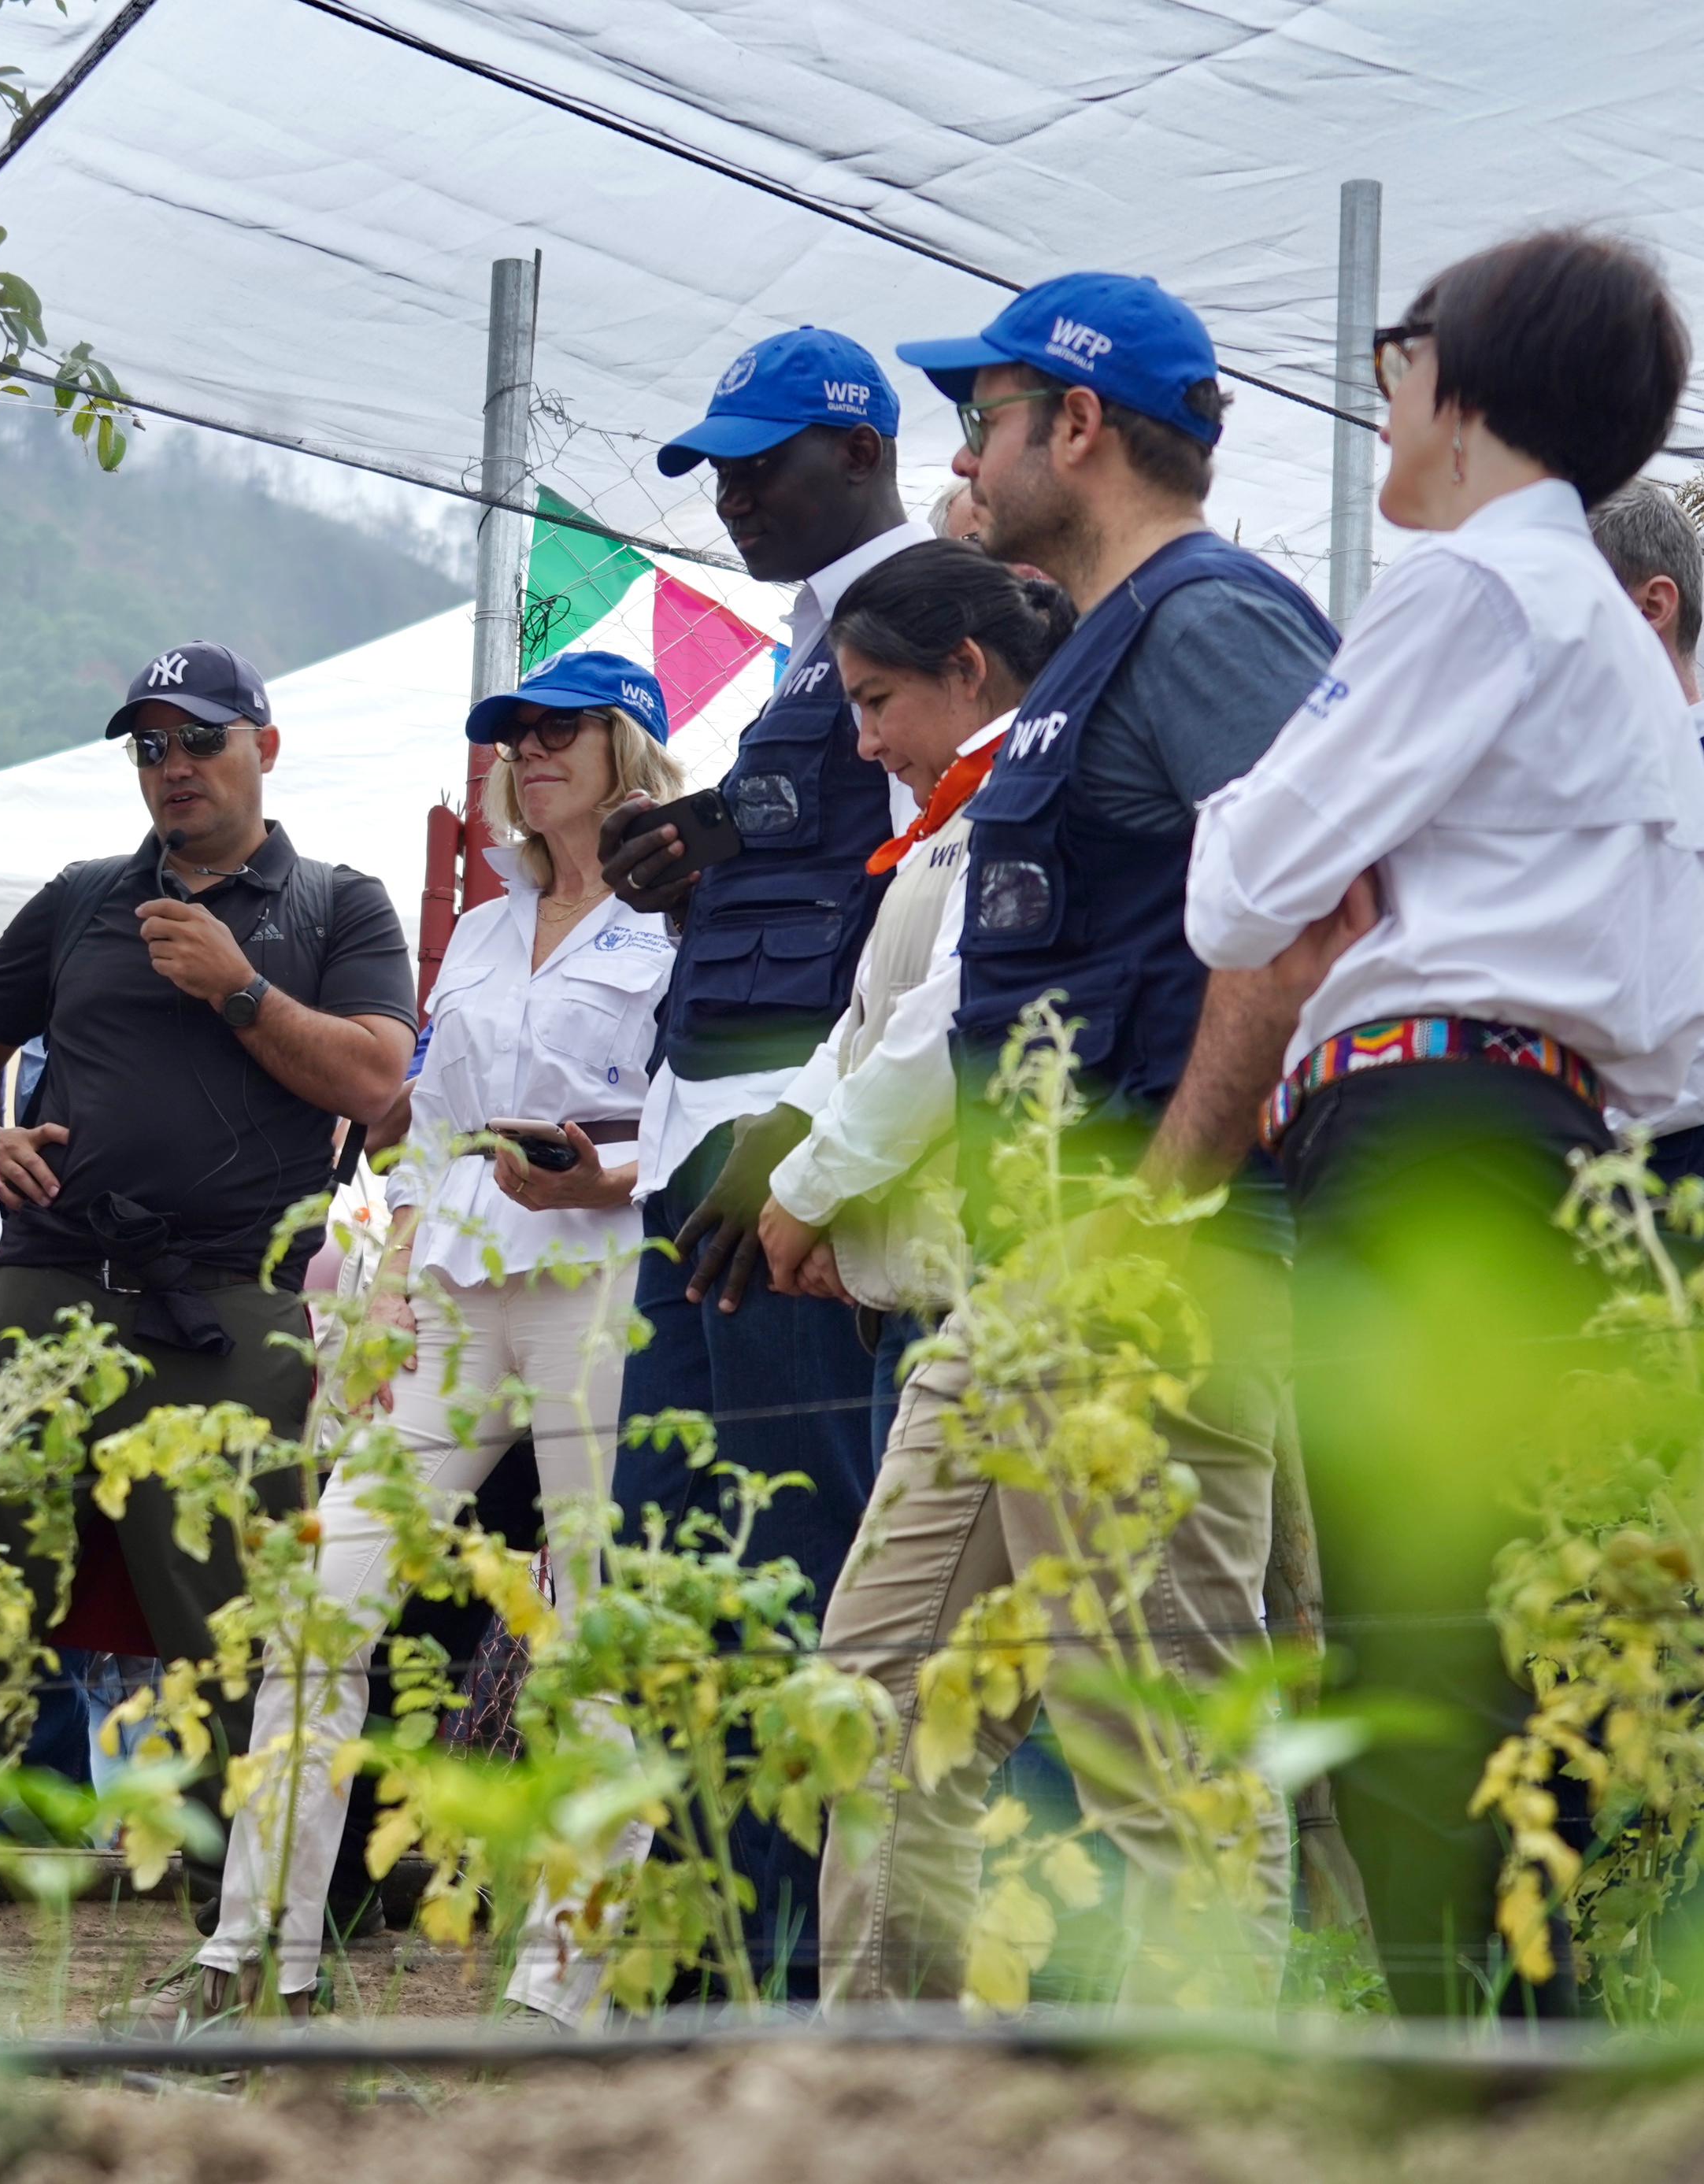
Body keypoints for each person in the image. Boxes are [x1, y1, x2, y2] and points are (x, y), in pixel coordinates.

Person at [1176, 231, 1704, 2016]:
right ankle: (1537, 2057)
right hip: (1550, 1146)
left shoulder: (1474, 592)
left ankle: (1435, 2079)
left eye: (1396, 354)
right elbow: (1663, 1022)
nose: (1379, 390)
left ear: (1459, 387)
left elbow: (1244, 878)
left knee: (1410, 1643)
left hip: (1413, 1135)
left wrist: (1284, 862)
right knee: (1520, 1651)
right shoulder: (1620, 644)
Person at [806, 274, 1341, 2008]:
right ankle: (887, 2102)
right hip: (1024, 1288)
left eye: (984, 417)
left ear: (1081, 425)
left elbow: (1314, 914)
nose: (961, 451)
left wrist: (1166, 1201)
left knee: (1158, 1761)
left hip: (1146, 1286)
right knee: (877, 1694)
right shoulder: (1087, 646)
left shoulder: (1208, 619)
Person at [192, 650, 676, 2023]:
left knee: (591, 1630)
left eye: (557, 730)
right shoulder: (481, 917)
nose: (529, 751)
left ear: (628, 744)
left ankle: (559, 1987)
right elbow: (426, 1121)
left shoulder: (685, 910)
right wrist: (397, 1258)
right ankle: (256, 1954)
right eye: (513, 734)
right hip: (460, 1288)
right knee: (323, 1598)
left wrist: (608, 1172)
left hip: (601, 1282)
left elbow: (701, 1106)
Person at [0, 641, 414, 1949]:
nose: (172, 768)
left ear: (264, 748)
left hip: (231, 1309)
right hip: (46, 1285)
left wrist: (239, 987)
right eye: (149, 746)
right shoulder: (80, 895)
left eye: (198, 740)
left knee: (234, 1634)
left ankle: (261, 1921)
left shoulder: (339, 903)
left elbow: (378, 1082)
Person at [590, 328, 919, 1995]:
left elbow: (916, 919)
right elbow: (798, 877)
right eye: (713, 462)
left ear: (856, 456)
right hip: (690, 1162)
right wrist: (690, 857)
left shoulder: (932, 619)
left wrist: (808, 1155)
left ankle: (792, 1971)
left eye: (759, 460)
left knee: (789, 1573)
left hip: (792, 1182)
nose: (725, 494)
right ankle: (711, 1953)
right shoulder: (803, 669)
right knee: (669, 1573)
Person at [752, 544, 1078, 1449]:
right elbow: (871, 1021)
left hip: (975, 1285)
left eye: (876, 700)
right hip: (915, 1283)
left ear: (965, 670)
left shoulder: (1019, 802)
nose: (863, 742)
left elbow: (941, 1028)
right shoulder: (953, 814)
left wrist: (806, 1192)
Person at [1590, 480, 1704, 1237]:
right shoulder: (1563, 801)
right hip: (1553, 1203)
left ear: (1651, 607)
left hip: (1672, 1221)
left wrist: (1530, 1109)